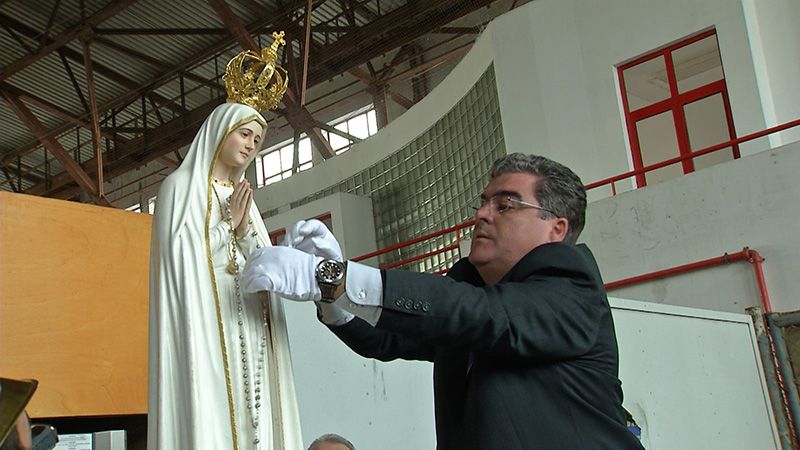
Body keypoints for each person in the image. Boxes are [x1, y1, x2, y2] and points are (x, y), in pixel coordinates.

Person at [244, 153, 645, 450]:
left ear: (557, 228)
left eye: (505, 205)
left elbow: (478, 315)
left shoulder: (570, 283)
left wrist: (335, 277)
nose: (482, 215)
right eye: (484, 202)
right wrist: (327, 293)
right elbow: (387, 339)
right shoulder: (473, 301)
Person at [148, 34, 301, 450]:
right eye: (245, 134)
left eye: (257, 139)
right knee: (214, 412)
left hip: (249, 321)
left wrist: (262, 243)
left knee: (254, 414)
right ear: (220, 132)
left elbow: (257, 256)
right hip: (205, 327)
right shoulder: (180, 188)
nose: (251, 145)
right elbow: (177, 261)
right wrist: (227, 227)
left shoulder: (243, 197)